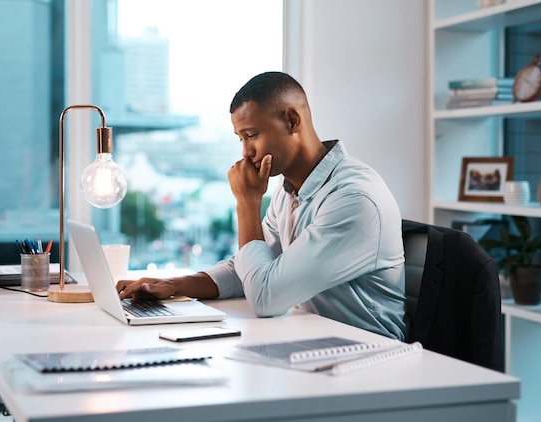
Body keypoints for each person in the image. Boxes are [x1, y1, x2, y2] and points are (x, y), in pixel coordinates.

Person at [117, 71, 407, 340]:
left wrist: (247, 203)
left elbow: (266, 297)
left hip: (369, 356)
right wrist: (174, 286)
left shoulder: (354, 198)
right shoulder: (289, 191)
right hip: (309, 340)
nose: (246, 152)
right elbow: (249, 266)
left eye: (252, 135)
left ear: (292, 121)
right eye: (241, 138)